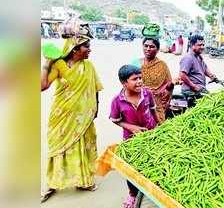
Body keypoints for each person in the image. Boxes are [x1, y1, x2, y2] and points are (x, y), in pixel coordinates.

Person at [41, 25, 103, 202]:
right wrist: (47, 64)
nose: (89, 50)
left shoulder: (89, 66)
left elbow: (96, 89)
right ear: (75, 49)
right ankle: (53, 183)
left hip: (83, 116)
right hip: (62, 116)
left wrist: (96, 109)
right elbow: (42, 86)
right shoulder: (59, 65)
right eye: (87, 47)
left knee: (82, 147)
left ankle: (84, 181)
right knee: (58, 148)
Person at [109, 65, 159, 208]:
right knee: (131, 169)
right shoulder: (117, 101)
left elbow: (153, 111)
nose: (139, 81)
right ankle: (132, 194)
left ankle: (153, 190)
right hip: (131, 140)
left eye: (140, 78)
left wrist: (160, 126)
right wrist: (132, 128)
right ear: (124, 83)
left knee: (153, 163)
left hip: (151, 135)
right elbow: (115, 120)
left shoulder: (147, 94)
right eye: (134, 79)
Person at [140, 37, 174, 123]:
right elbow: (128, 83)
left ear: (158, 49)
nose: (148, 49)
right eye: (146, 46)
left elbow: (169, 84)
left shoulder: (162, 65)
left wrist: (166, 99)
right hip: (139, 102)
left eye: (152, 46)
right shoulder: (135, 63)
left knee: (157, 127)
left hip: (157, 104)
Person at [179, 34, 217, 107]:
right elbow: (182, 75)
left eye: (203, 45)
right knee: (210, 104)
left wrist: (212, 76)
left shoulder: (199, 56)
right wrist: (193, 86)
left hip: (200, 89)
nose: (202, 47)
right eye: (199, 45)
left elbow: (204, 69)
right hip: (191, 91)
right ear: (192, 45)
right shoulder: (188, 58)